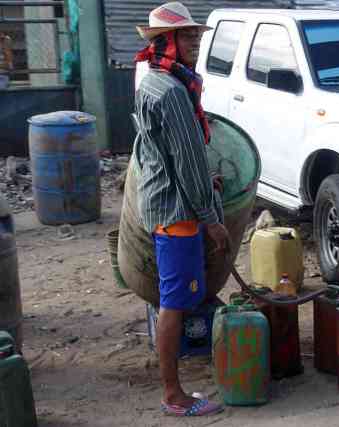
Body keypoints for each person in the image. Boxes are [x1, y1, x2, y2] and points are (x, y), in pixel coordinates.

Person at [133, 2, 227, 417]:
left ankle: (173, 388)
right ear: (165, 42)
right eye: (186, 36)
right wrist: (212, 220)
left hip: (164, 200)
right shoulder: (172, 91)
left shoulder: (154, 82)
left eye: (196, 36)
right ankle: (174, 396)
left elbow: (161, 152)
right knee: (175, 303)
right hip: (177, 213)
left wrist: (204, 184)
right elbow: (187, 163)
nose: (194, 43)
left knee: (175, 298)